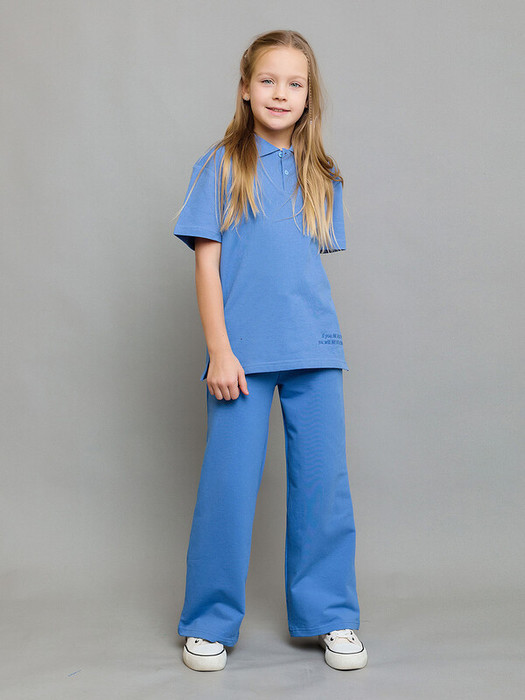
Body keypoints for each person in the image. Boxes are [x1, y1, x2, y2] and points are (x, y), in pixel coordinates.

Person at [171, 29, 368, 672]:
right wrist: (219, 351)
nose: (281, 93)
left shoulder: (322, 176)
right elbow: (207, 265)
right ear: (245, 89)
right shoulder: (222, 165)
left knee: (323, 490)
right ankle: (209, 621)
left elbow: (302, 269)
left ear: (309, 97)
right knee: (228, 489)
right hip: (241, 357)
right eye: (268, 80)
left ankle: (331, 615)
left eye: (295, 83)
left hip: (315, 349)